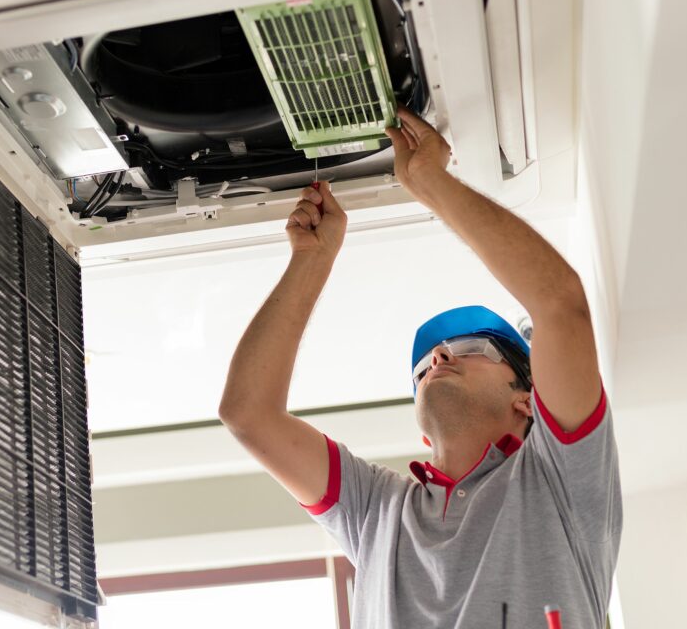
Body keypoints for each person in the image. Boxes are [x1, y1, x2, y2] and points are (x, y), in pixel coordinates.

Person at [218, 107, 622, 628]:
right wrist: (311, 260)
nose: (440, 356)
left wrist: (430, 181)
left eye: (474, 348)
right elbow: (248, 413)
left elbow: (561, 308)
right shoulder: (379, 511)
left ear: (529, 399)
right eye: (429, 364)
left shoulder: (560, 480)